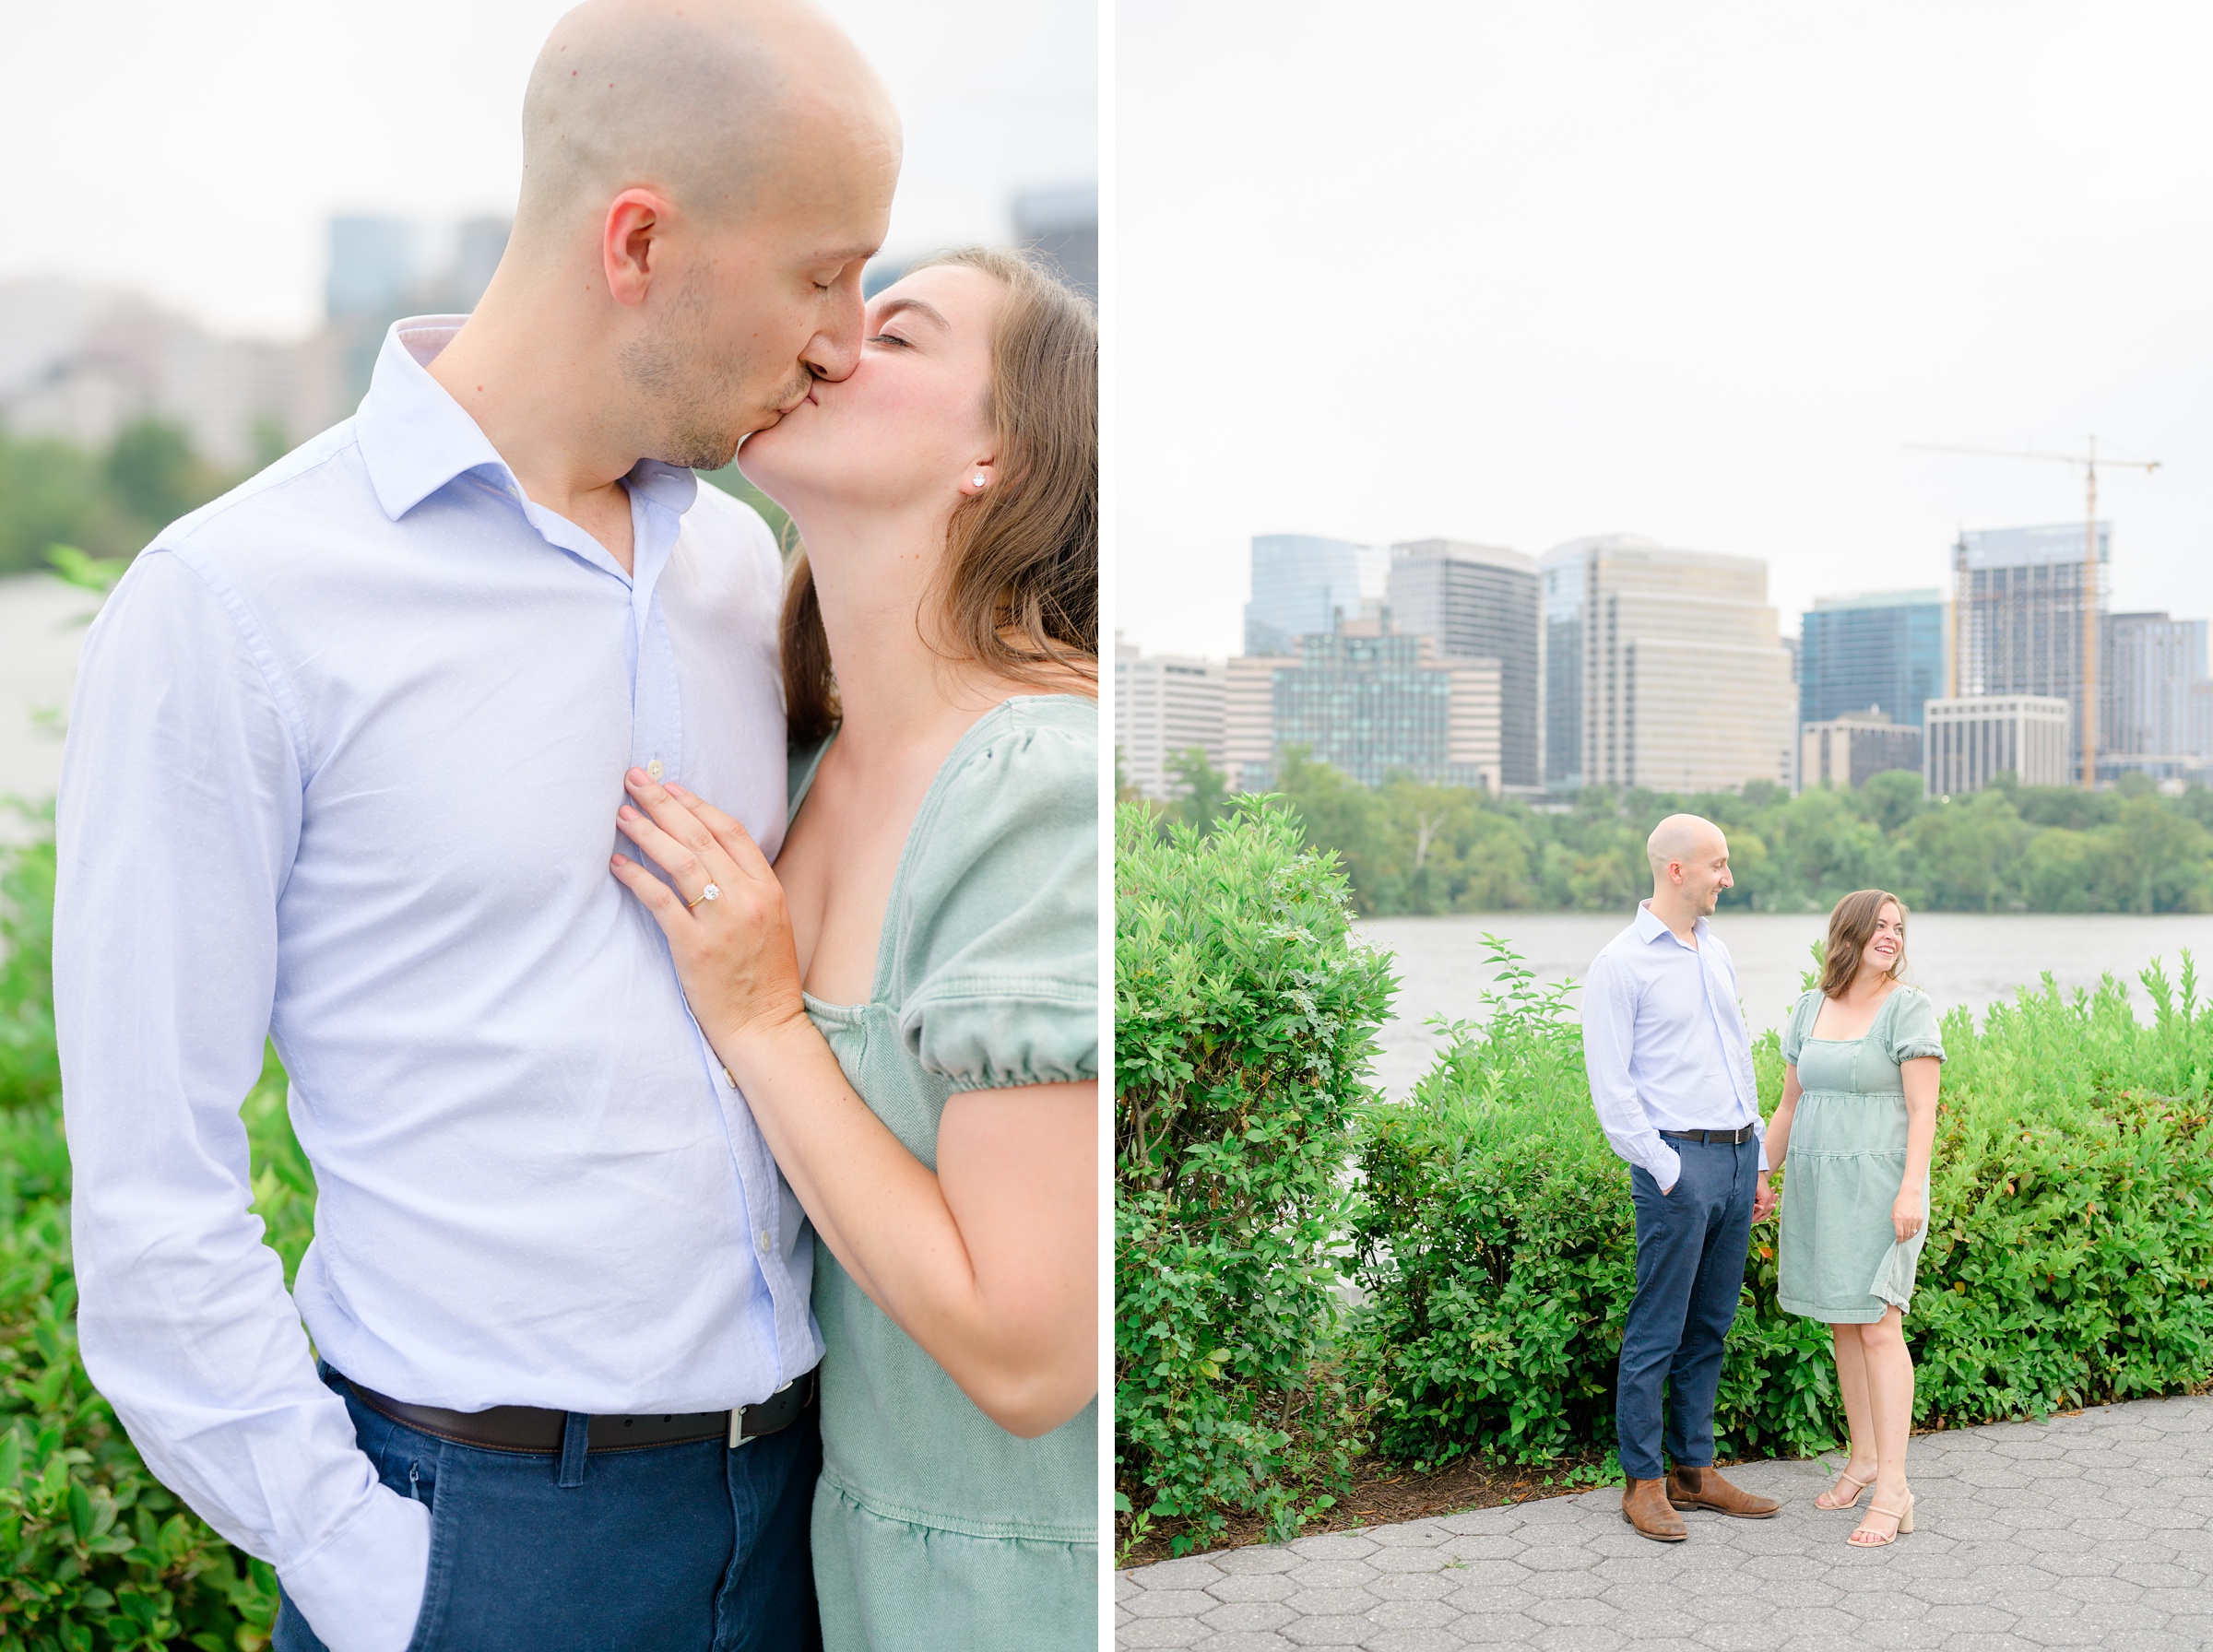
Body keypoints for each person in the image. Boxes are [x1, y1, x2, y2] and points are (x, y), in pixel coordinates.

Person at [53, 3, 900, 1647]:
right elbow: (154, 1196)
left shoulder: (746, 574)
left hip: (803, 1515)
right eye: (824, 272)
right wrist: (381, 1580)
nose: (850, 338)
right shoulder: (236, 604)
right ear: (640, 241)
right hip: (482, 1545)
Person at [609, 246, 1097, 1649]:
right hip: (828, 1557)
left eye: (896, 333)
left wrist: (763, 1022)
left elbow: (1028, 1354)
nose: (827, 345)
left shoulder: (1037, 788)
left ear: (998, 453)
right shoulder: (807, 764)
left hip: (1018, 1593)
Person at [1581, 813, 1783, 1541]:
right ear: (1677, 870)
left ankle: (1694, 1473)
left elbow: (1736, 1060)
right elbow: (1613, 1091)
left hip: (1733, 1158)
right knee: (1657, 1331)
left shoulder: (1715, 954)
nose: (1727, 878)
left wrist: (1755, 1160)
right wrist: (1669, 1171)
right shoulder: (1621, 964)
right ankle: (1643, 1484)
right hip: (1676, 1164)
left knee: (1710, 1327)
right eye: (1718, 865)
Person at [1767, 889, 1943, 1547]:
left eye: (1900, 927)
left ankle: (1894, 1487)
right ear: (1850, 932)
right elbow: (1788, 1106)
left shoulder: (1908, 1006)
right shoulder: (1811, 1006)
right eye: (1882, 925)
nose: (1893, 935)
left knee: (1878, 1326)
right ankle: (1863, 1460)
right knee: (1843, 1324)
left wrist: (1911, 1191)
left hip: (1881, 1184)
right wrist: (1762, 1174)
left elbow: (1924, 1110)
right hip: (1819, 1183)